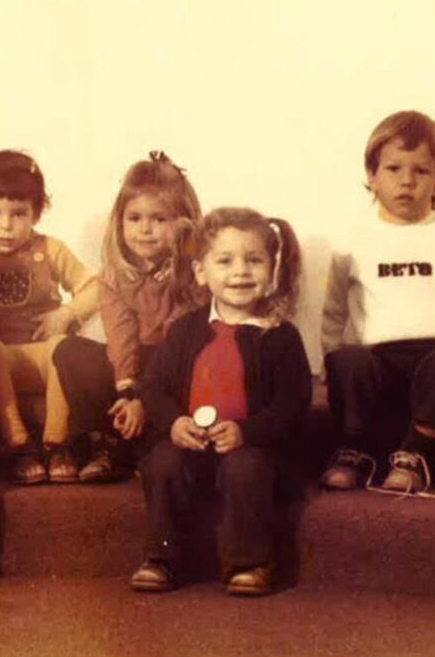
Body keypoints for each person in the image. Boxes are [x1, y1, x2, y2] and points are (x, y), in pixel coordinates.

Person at [321, 110, 435, 495]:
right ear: (372, 175)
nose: (406, 181)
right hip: (378, 364)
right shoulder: (352, 242)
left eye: (421, 171)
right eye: (393, 168)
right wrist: (329, 364)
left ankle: (415, 453)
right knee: (346, 359)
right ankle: (356, 449)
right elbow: (334, 311)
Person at [133, 207, 311, 596]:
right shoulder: (184, 330)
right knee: (161, 462)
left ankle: (250, 562)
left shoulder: (280, 336)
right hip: (191, 443)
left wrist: (247, 431)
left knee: (245, 469)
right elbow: (154, 387)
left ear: (273, 269)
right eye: (225, 260)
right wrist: (175, 424)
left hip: (252, 449)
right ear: (201, 271)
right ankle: (161, 558)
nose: (241, 271)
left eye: (254, 260)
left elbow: (293, 403)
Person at [0, 150, 98, 485]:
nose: (5, 225)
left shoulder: (51, 249)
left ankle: (56, 443)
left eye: (18, 214)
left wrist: (68, 312)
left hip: (41, 354)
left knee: (64, 347)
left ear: (37, 213)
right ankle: (19, 443)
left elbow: (95, 287)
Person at [53, 151, 205, 482]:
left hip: (175, 367)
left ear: (183, 224)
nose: (145, 230)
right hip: (134, 365)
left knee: (177, 367)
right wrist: (127, 392)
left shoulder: (192, 271)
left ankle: (146, 445)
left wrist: (144, 398)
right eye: (134, 218)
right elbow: (120, 336)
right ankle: (106, 442)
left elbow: (177, 340)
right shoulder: (114, 274)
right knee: (70, 352)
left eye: (159, 219)